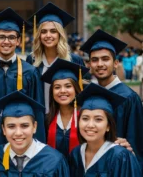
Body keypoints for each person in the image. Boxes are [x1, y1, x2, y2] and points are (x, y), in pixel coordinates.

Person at [80, 29, 143, 171]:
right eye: (94, 60)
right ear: (89, 65)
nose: (100, 64)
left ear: (115, 63)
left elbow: (136, 143)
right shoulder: (88, 95)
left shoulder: (129, 98)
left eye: (105, 59)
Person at [0, 8, 44, 127]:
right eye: (2, 37)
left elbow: (37, 110)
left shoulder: (30, 71)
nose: (6, 41)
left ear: (18, 41)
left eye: (12, 37)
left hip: (19, 134)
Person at [0, 90, 69, 176]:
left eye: (24, 126)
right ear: (3, 129)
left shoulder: (53, 160)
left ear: (34, 127)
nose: (18, 133)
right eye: (11, 126)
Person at [69, 83, 142, 176]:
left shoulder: (120, 157)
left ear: (108, 126)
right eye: (85, 118)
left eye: (98, 119)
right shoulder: (75, 155)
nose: (90, 125)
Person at [26, 2, 85, 114]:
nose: (48, 35)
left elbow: (81, 92)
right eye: (43, 32)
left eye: (53, 31)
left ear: (60, 34)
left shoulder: (74, 60)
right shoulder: (32, 60)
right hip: (40, 118)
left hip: (66, 119)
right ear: (39, 35)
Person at [41, 58, 89, 158]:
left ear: (76, 89)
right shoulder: (46, 120)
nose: (62, 91)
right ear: (52, 92)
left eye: (68, 86)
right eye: (57, 87)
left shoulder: (87, 118)